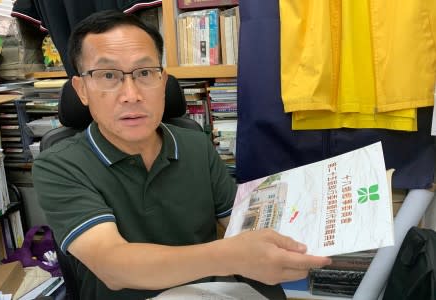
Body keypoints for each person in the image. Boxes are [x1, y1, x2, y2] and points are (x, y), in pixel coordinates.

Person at [32, 10, 331, 299]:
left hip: (213, 292)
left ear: (163, 82)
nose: (131, 94)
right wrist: (230, 257)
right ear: (82, 89)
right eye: (108, 75)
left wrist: (317, 216)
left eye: (145, 72)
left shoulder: (195, 144)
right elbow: (112, 265)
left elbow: (241, 223)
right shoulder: (58, 165)